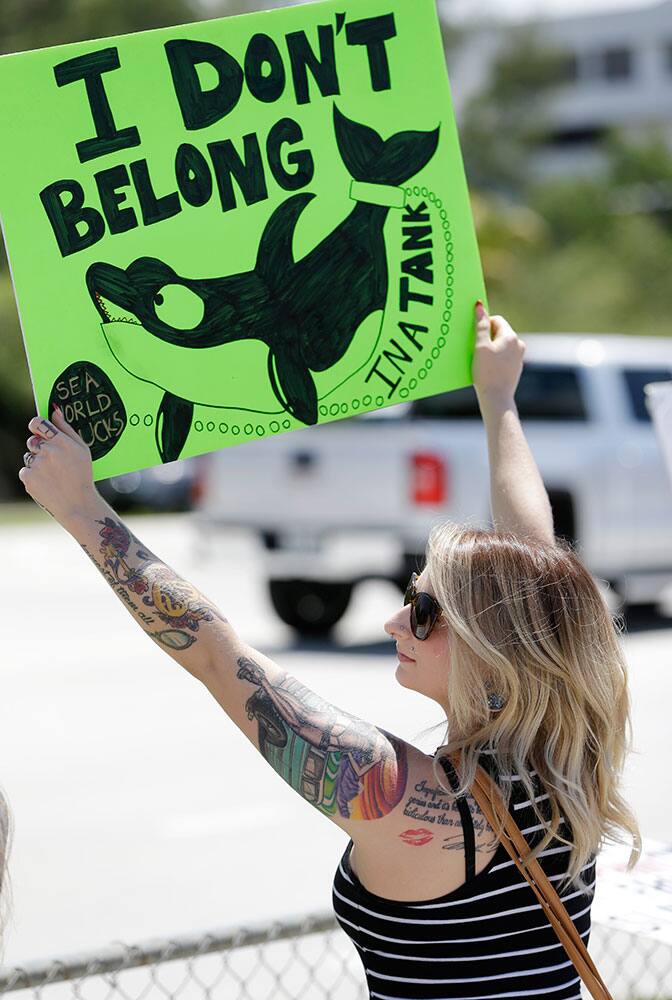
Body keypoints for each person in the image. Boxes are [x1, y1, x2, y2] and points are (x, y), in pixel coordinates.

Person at [18, 303, 640, 998]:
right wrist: (497, 400)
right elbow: (536, 564)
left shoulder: (402, 795)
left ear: (496, 650)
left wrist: (83, 511)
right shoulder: (569, 758)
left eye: (427, 611)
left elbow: (219, 656)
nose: (395, 623)